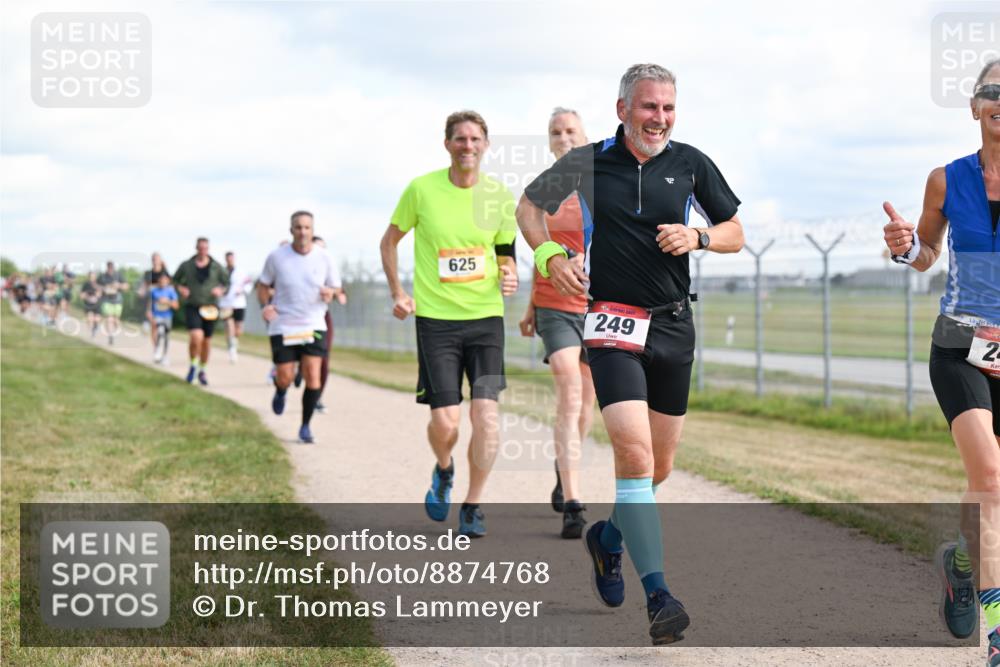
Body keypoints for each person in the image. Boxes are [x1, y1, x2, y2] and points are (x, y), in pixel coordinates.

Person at [518, 64, 744, 644]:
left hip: (673, 327)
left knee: (659, 467)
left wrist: (698, 237)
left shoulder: (691, 162)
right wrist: (549, 258)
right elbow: (528, 209)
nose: (660, 119)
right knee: (635, 456)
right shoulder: (588, 160)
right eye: (649, 107)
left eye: (668, 108)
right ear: (623, 109)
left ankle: (608, 539)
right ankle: (660, 596)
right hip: (612, 323)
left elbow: (735, 230)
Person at [881, 58, 1000, 667]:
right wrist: (907, 248)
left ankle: (960, 562)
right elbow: (926, 252)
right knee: (990, 477)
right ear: (975, 105)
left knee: (988, 488)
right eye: (993, 90)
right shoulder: (947, 179)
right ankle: (999, 631)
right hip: (959, 346)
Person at [380, 110, 518, 538]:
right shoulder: (422, 190)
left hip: (485, 320)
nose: (468, 146)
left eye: (475, 139)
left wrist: (510, 272)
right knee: (446, 423)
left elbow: (505, 253)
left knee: (487, 418)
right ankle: (444, 469)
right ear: (447, 145)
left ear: (486, 145)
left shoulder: (499, 196)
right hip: (436, 321)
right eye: (460, 139)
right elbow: (389, 242)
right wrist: (398, 293)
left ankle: (473, 505)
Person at [518, 107, 596, 539]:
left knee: (586, 404)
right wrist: (531, 306)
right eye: (556, 132)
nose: (563, 137)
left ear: (585, 137)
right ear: (549, 141)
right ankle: (574, 503)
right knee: (568, 392)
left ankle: (564, 466)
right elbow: (537, 247)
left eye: (571, 131)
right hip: (554, 304)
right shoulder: (545, 188)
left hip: (599, 308)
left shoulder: (601, 184)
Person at [258, 211, 345, 444]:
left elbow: (336, 288)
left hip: (313, 323)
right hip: (284, 324)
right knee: (285, 375)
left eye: (307, 228)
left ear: (312, 230)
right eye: (298, 227)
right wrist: (266, 305)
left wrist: (331, 292)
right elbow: (263, 284)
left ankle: (305, 425)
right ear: (291, 230)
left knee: (312, 376)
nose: (303, 232)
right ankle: (281, 389)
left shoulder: (325, 257)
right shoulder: (277, 257)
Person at [172, 238, 230, 385]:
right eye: (200, 248)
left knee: (206, 341)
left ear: (208, 249)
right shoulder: (187, 265)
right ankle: (193, 365)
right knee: (196, 336)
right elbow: (175, 280)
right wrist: (181, 289)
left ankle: (202, 370)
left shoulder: (216, 266)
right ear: (196, 248)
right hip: (193, 305)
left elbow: (227, 282)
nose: (203, 251)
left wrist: (221, 290)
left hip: (210, 307)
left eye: (205, 248)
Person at [312, 236, 347, 413]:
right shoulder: (297, 265)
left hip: (322, 318)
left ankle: (317, 396)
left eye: (324, 249)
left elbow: (339, 291)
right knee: (304, 359)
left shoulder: (328, 268)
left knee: (324, 359)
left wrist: (336, 294)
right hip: (297, 320)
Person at [220, 251, 253, 363]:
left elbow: (249, 284)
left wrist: (242, 290)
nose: (230, 261)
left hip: (239, 303)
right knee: (229, 326)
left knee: (238, 329)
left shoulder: (241, 271)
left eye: (231, 259)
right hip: (225, 303)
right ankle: (232, 350)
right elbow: (217, 285)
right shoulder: (221, 271)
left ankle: (234, 341)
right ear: (225, 259)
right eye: (228, 259)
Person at [140, 253, 170, 346]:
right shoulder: (148, 273)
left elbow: (168, 285)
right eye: (153, 259)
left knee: (160, 324)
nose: (155, 261)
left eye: (157, 259)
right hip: (150, 301)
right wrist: (141, 291)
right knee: (153, 324)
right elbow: (144, 286)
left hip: (162, 301)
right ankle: (156, 347)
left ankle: (149, 326)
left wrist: (154, 286)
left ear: (160, 260)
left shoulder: (164, 272)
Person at [149, 272, 179, 364]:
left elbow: (176, 306)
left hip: (167, 316)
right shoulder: (154, 291)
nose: (162, 281)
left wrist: (167, 301)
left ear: (168, 281)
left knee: (166, 336)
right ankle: (157, 350)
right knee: (159, 332)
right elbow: (149, 303)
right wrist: (149, 312)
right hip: (157, 315)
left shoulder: (171, 291)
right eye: (161, 279)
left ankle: (165, 355)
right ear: (158, 280)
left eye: (165, 280)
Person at [97, 261, 128, 345]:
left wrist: (118, 285)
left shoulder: (119, 275)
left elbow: (126, 286)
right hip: (106, 300)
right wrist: (104, 288)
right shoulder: (102, 276)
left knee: (116, 320)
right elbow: (96, 286)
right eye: (109, 267)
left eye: (112, 267)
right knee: (109, 318)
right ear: (107, 267)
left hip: (117, 301)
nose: (110, 269)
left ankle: (115, 332)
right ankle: (110, 336)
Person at [80, 271, 102, 336]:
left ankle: (95, 327)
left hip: (97, 304)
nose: (92, 278)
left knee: (97, 319)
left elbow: (100, 293)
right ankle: (91, 330)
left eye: (93, 277)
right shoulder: (86, 284)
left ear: (95, 277)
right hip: (88, 304)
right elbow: (81, 295)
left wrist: (96, 295)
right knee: (90, 318)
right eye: (90, 277)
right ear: (88, 277)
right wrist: (87, 296)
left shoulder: (98, 284)